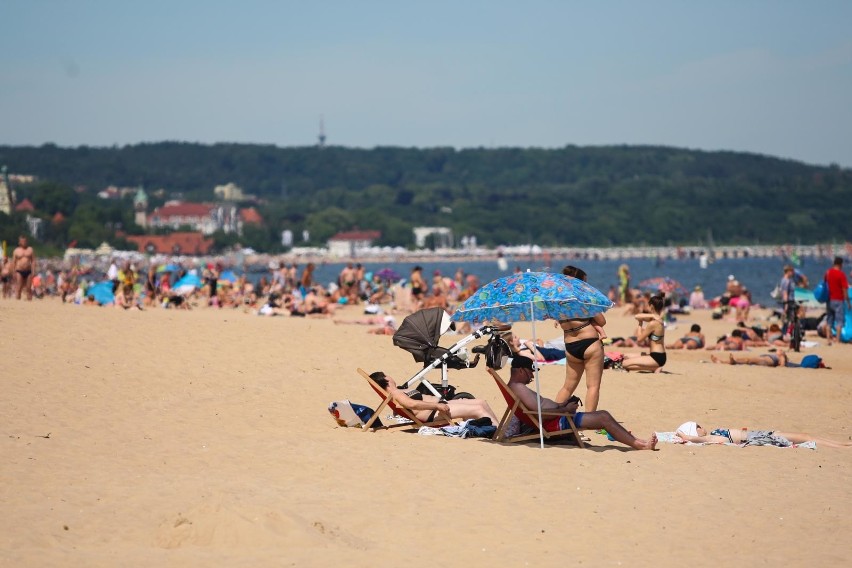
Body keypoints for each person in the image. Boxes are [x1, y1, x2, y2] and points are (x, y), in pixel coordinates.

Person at [503, 358, 657, 450]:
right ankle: (639, 444)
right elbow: (538, 414)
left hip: (556, 417)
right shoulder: (520, 388)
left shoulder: (515, 387)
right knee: (603, 417)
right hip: (555, 422)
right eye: (531, 371)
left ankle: (638, 441)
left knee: (603, 415)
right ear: (521, 370)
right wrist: (565, 410)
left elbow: (537, 410)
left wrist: (563, 405)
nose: (532, 375)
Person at [554, 265, 607, 411]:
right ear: (579, 282)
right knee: (593, 386)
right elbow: (602, 321)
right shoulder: (583, 298)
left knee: (567, 387)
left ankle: (553, 418)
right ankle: (588, 420)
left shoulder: (557, 302)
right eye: (584, 282)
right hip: (590, 343)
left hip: (570, 345)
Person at [369, 371, 498, 425]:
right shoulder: (395, 393)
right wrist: (436, 405)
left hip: (440, 406)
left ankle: (500, 429)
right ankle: (498, 433)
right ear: (386, 379)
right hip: (436, 412)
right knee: (478, 410)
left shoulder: (397, 392)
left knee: (481, 402)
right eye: (388, 375)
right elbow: (411, 404)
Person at [675, 421, 852, 448]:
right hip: (759, 437)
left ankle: (844, 445)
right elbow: (691, 438)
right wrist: (683, 434)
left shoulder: (712, 435)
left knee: (805, 435)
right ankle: (844, 447)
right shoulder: (710, 437)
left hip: (760, 434)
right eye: (697, 426)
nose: (701, 427)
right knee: (805, 436)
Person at [621, 295, 667, 372]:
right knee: (626, 356)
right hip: (657, 355)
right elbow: (637, 316)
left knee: (624, 364)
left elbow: (639, 340)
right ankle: (653, 367)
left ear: (651, 306)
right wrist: (652, 315)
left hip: (656, 357)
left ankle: (654, 368)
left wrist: (640, 324)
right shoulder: (659, 320)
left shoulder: (653, 323)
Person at [823, 256, 850, 345]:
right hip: (838, 299)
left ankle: (828, 340)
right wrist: (848, 301)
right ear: (840, 264)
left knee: (829, 320)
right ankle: (838, 340)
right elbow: (844, 289)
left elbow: (824, 283)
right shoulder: (841, 274)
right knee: (839, 320)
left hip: (829, 299)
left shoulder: (828, 272)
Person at [12, 235, 36, 300]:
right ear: (19, 242)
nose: (24, 242)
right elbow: (13, 262)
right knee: (19, 287)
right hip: (19, 270)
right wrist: (13, 272)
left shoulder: (30, 249)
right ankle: (17, 302)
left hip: (28, 271)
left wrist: (33, 271)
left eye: (25, 241)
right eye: (22, 241)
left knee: (29, 288)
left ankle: (29, 303)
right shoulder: (16, 251)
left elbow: (33, 261)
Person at [709, 350, 792, 367]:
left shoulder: (781, 356)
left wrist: (782, 358)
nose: (779, 350)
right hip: (766, 358)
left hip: (769, 360)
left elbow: (782, 365)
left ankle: (733, 361)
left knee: (748, 360)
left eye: (781, 350)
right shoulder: (776, 355)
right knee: (748, 360)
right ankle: (721, 361)